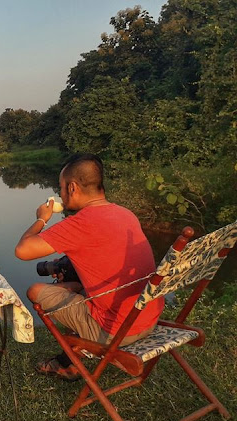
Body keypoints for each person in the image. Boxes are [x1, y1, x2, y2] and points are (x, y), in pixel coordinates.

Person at [15, 153, 164, 381]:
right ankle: (69, 362)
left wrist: (42, 218)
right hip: (148, 319)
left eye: (62, 188)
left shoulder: (80, 223)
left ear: (72, 188)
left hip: (118, 331)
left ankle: (75, 356)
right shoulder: (125, 214)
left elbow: (23, 250)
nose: (62, 193)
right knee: (75, 287)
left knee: (35, 291)